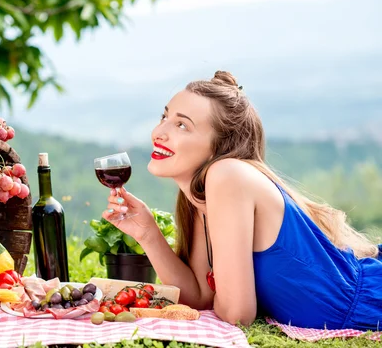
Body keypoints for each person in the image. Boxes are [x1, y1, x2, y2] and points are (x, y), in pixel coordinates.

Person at [103, 71, 382, 330]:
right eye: (164, 117)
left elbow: (237, 313)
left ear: (220, 147)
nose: (159, 132)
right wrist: (147, 233)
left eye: (182, 125)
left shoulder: (227, 175)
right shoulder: (201, 201)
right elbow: (200, 296)